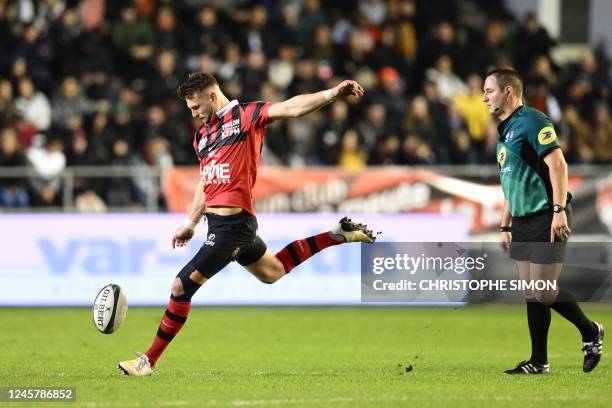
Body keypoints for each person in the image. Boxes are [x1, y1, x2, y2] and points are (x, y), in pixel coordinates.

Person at [118, 73, 376, 376]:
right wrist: (190, 222)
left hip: (233, 227)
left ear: (212, 96)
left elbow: (291, 107)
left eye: (196, 106)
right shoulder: (203, 134)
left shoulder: (248, 115)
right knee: (273, 272)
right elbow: (206, 179)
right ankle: (337, 235)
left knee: (180, 286)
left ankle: (147, 361)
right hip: (219, 226)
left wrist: (333, 92)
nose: (194, 113)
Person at [483, 68, 603, 374]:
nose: (484, 97)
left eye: (489, 91)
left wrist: (559, 210)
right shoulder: (505, 131)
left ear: (509, 91)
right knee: (531, 292)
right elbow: (512, 182)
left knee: (544, 290)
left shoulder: (533, 121)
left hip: (546, 214)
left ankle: (591, 333)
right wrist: (505, 223)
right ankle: (539, 360)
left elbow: (558, 164)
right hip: (522, 220)